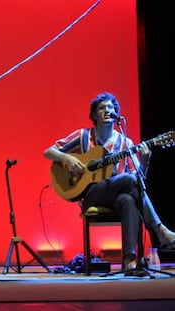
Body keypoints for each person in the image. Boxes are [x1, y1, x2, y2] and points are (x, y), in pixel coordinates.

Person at [43, 91, 175, 275]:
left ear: (116, 114)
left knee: (128, 199)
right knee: (129, 180)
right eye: (102, 108)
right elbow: (48, 152)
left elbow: (138, 181)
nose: (107, 111)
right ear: (95, 115)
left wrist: (145, 161)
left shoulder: (125, 142)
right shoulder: (83, 136)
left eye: (111, 108)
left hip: (115, 196)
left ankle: (129, 261)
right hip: (90, 195)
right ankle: (159, 229)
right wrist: (68, 159)